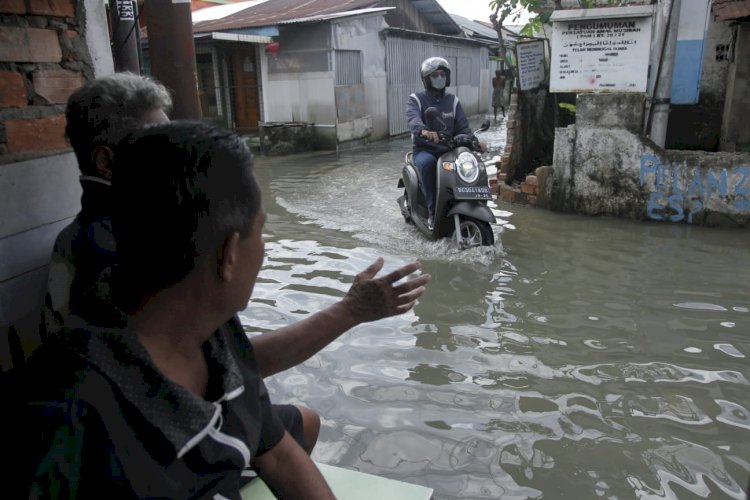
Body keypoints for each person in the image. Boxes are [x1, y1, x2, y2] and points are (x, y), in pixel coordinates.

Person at [9, 120, 430, 497]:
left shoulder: (213, 329)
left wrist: (350, 311)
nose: (263, 250)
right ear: (227, 255)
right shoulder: (67, 416)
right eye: (261, 232)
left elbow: (279, 454)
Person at [43, 72, 317, 455]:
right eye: (158, 141)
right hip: (160, 438)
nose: (179, 151)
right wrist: (349, 311)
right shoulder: (121, 249)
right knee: (303, 422)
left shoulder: (95, 233)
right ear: (106, 161)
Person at [406, 57, 473, 230]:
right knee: (429, 164)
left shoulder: (453, 101)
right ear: (426, 79)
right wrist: (424, 130)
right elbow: (413, 119)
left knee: (468, 162)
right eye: (435, 75)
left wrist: (475, 141)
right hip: (424, 150)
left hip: (448, 150)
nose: (439, 78)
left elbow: (463, 127)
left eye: (442, 74)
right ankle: (432, 211)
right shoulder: (416, 99)